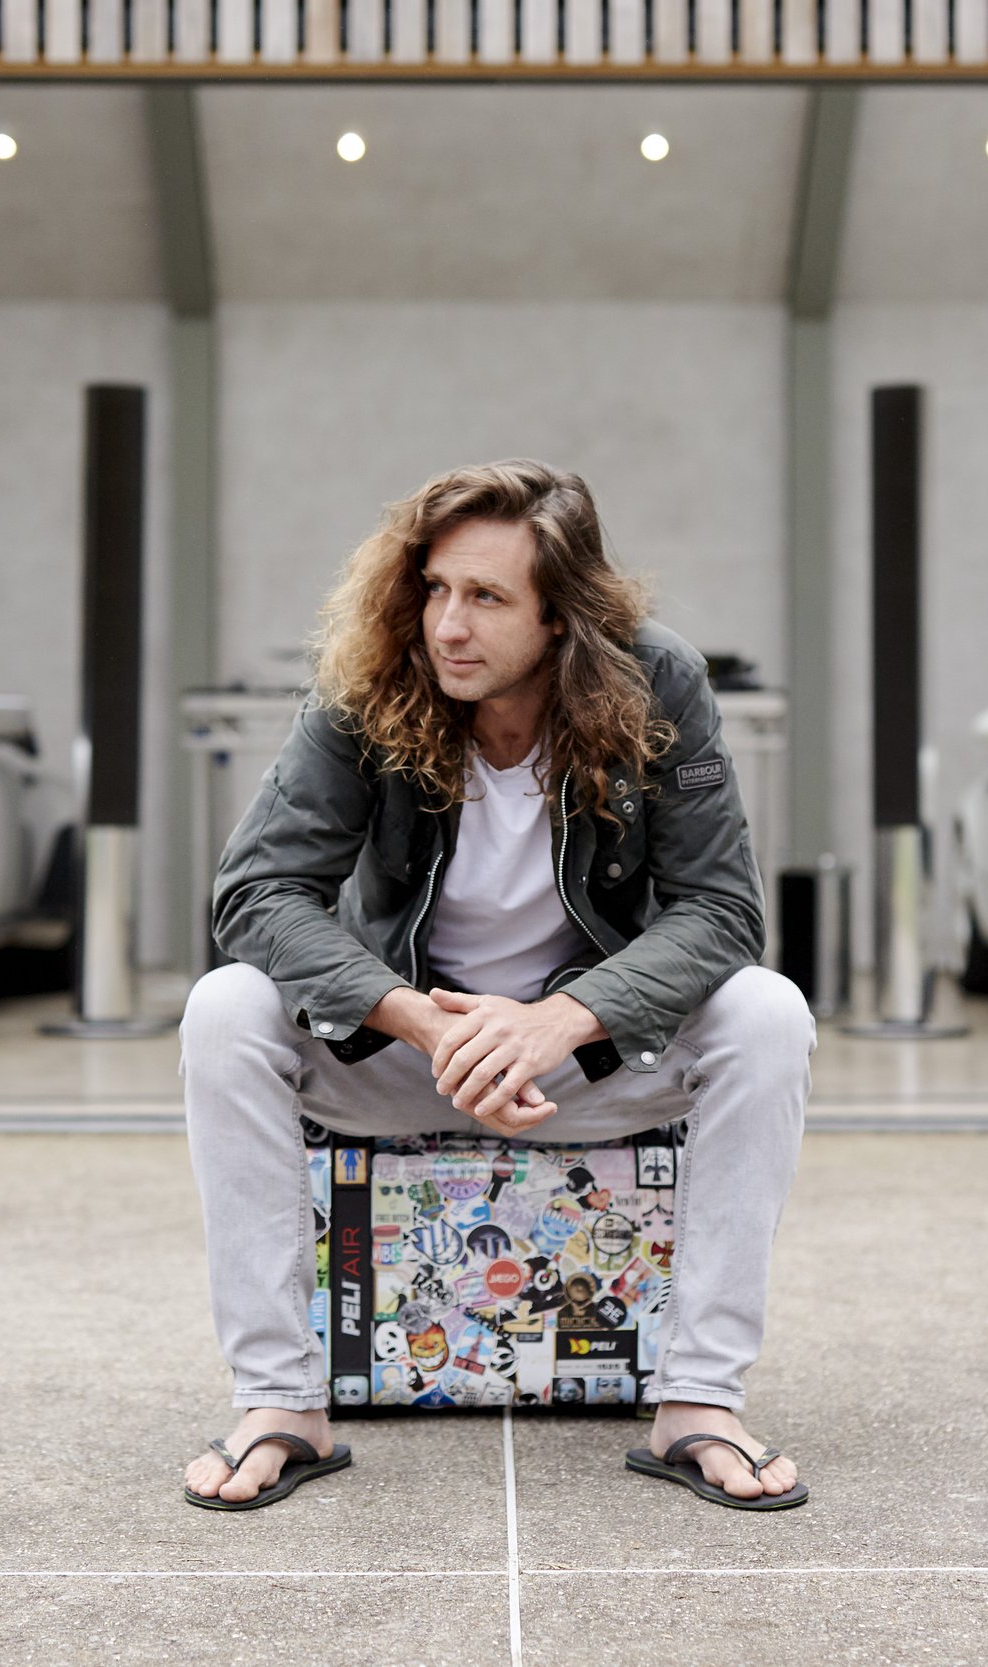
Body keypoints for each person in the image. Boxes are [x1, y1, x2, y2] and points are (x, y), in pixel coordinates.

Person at [178, 459, 815, 1513]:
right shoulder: (369, 681)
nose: (445, 625)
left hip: (584, 1062)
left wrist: (559, 1021)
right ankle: (280, 1401)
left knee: (766, 1010)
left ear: (562, 615)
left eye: (484, 596)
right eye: (432, 588)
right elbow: (257, 891)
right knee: (226, 1006)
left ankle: (699, 1400)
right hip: (404, 1050)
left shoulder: (659, 683)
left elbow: (722, 911)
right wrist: (421, 1020)